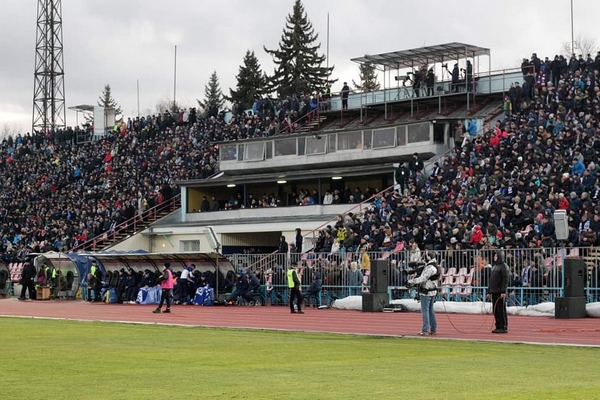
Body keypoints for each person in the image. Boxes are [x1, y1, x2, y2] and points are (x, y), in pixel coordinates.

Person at [407, 251, 440, 336]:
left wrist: (411, 281)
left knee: (425, 310)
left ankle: (425, 329)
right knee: (430, 310)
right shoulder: (436, 266)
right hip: (433, 291)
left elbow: (423, 278)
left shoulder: (430, 268)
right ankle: (433, 329)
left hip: (426, 291)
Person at [487, 250, 509, 333]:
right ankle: (498, 325)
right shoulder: (494, 266)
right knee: (495, 310)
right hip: (494, 291)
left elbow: (505, 280)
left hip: (500, 292)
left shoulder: (504, 267)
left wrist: (503, 291)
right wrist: (489, 291)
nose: (494, 257)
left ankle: (503, 326)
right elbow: (491, 280)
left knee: (501, 309)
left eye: (496, 256)